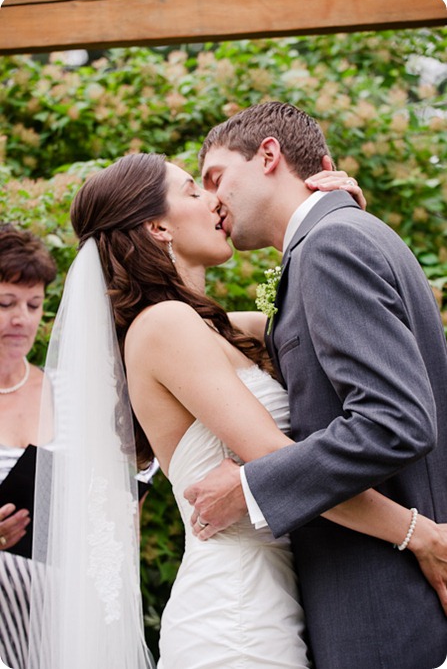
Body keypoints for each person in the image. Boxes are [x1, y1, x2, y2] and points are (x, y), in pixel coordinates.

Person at [44, 152, 447, 669]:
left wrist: (329, 217)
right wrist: (421, 534)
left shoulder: (222, 330)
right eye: (193, 190)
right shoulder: (163, 325)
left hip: (286, 601)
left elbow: (318, 305)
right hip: (236, 615)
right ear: (158, 226)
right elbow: (277, 461)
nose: (214, 200)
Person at [183, 101, 447, 669]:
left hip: (384, 611)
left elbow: (395, 422)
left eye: (216, 177)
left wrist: (253, 486)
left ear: (270, 155)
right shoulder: (333, 239)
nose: (210, 200)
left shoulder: (332, 244)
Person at [0, 224, 57, 669]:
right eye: (5, 304)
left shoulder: (66, 392)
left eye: (33, 305)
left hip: (61, 620)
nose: (21, 319)